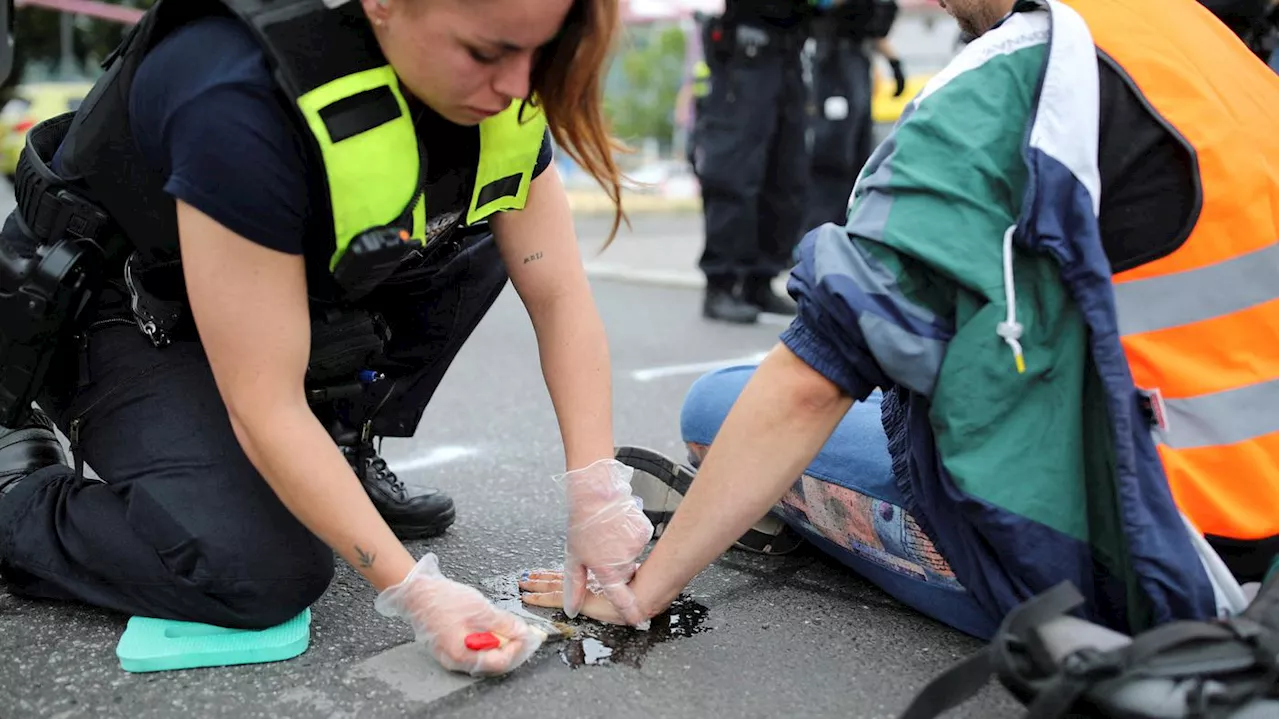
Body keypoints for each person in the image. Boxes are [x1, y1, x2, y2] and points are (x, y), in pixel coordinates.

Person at [519, 0, 1280, 645]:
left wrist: (640, 592)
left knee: (717, 407)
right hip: (1254, 535)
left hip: (1155, 577)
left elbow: (812, 382)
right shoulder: (1211, 44)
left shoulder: (1016, 75)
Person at [0, 0, 655, 677]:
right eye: (486, 54)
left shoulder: (494, 81)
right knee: (257, 570)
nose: (518, 87)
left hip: (266, 297)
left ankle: (336, 449)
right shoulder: (235, 93)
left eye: (537, 53)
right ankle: (16, 496)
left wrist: (598, 490)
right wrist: (416, 590)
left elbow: (559, 297)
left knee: (479, 225)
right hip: (121, 301)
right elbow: (264, 403)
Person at [688, 0, 814, 324]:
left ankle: (760, 280)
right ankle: (722, 284)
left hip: (788, 55)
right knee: (735, 173)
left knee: (786, 175)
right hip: (745, 57)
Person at [805, 0, 903, 231]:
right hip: (833, 62)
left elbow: (864, 25)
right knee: (832, 156)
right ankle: (820, 235)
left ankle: (850, 233)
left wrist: (893, 61)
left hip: (857, 60)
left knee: (860, 157)